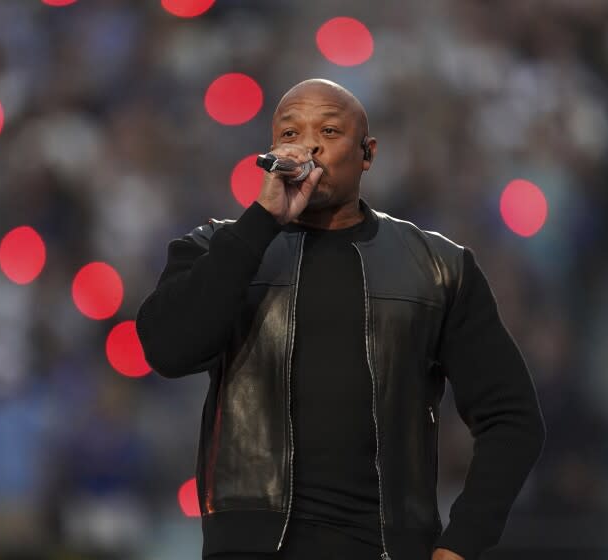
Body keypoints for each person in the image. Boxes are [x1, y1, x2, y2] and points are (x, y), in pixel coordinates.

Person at [135, 79, 546, 560]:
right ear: (270, 152)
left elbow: (513, 420)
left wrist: (460, 544)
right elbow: (167, 349)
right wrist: (262, 221)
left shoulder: (438, 269)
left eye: (328, 131)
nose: (307, 145)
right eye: (289, 134)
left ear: (367, 153)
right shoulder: (213, 249)